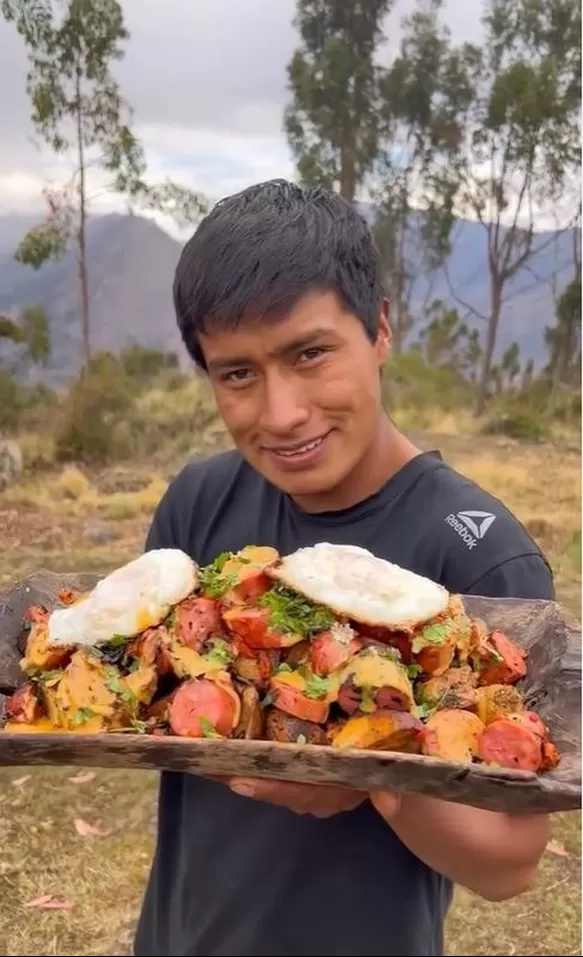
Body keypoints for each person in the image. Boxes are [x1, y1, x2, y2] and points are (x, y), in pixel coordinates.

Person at [133, 179, 554, 957]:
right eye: (237, 374)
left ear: (380, 327)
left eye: (309, 353)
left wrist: (372, 776)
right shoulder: (199, 503)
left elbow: (507, 862)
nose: (282, 411)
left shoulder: (476, 549)